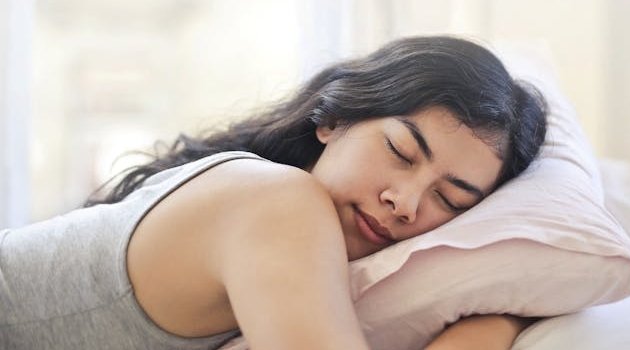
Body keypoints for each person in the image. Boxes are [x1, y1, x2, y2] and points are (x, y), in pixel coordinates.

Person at [0, 36, 547, 349]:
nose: (406, 203)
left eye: (450, 201)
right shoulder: (277, 201)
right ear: (333, 119)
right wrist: (496, 323)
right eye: (401, 152)